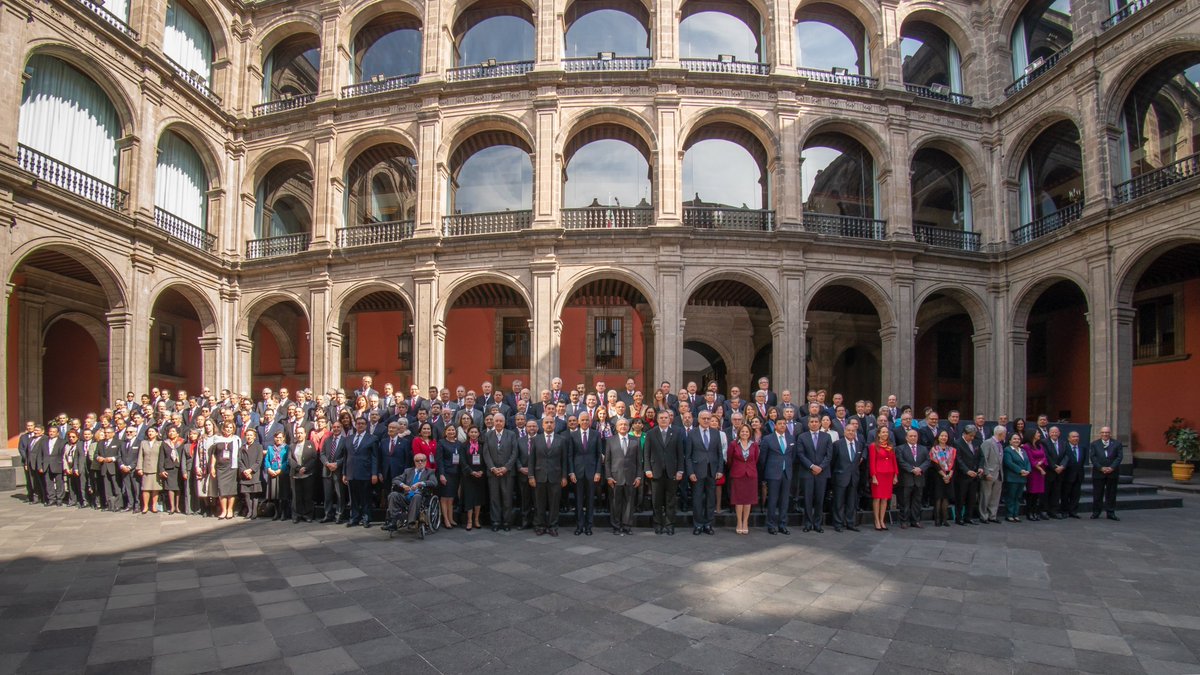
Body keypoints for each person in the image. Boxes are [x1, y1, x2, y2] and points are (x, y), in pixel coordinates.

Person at [644, 410, 684, 536]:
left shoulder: (676, 433)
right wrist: (647, 469)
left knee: (670, 500)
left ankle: (669, 524)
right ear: (657, 419)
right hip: (655, 472)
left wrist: (680, 470)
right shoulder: (651, 433)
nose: (664, 420)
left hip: (672, 472)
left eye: (666, 418)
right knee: (656, 500)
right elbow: (646, 453)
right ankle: (658, 524)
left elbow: (680, 454)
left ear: (669, 419)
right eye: (661, 418)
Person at [528, 416, 569, 536]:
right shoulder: (536, 440)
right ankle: (540, 525)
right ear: (542, 425)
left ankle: (553, 526)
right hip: (539, 476)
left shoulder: (561, 440)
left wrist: (564, 477)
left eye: (551, 422)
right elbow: (531, 460)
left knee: (554, 503)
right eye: (547, 422)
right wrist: (531, 476)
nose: (549, 424)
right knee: (539, 503)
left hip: (555, 477)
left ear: (555, 425)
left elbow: (564, 460)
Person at [687, 411, 723, 536]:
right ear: (699, 419)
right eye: (704, 418)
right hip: (697, 471)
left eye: (708, 418)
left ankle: (708, 524)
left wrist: (719, 470)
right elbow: (688, 456)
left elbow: (720, 454)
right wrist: (690, 472)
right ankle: (698, 524)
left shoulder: (715, 433)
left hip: (712, 471)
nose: (707, 420)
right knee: (697, 499)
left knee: (710, 499)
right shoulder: (692, 433)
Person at [569, 412, 604, 536]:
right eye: (582, 420)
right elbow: (570, 455)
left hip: (592, 472)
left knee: (590, 500)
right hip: (577, 473)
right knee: (578, 501)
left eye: (586, 420)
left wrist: (598, 472)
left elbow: (599, 455)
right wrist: (571, 472)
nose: (584, 422)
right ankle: (579, 526)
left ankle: (589, 526)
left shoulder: (596, 434)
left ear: (590, 421)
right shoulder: (573, 435)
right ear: (578, 421)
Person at [797, 415, 832, 533]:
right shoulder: (802, 437)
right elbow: (801, 454)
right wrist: (812, 466)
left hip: (822, 473)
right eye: (812, 422)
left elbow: (829, 455)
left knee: (819, 499)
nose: (814, 423)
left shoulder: (827, 437)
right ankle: (807, 523)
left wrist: (820, 467)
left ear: (820, 423)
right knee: (807, 499)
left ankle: (818, 524)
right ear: (808, 424)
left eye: (816, 421)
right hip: (807, 472)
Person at [343, 417, 381, 528]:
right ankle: (354, 517)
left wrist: (374, 473)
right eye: (358, 423)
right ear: (355, 425)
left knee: (365, 497)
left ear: (366, 425)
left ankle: (366, 518)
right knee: (353, 498)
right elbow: (346, 457)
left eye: (363, 424)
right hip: (351, 472)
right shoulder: (349, 438)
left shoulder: (372, 438)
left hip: (365, 472)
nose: (360, 425)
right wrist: (344, 473)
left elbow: (375, 457)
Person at [606, 417, 641, 535]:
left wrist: (638, 476)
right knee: (616, 503)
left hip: (631, 477)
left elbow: (638, 461)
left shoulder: (635, 440)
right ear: (616, 427)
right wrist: (608, 476)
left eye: (625, 425)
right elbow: (607, 461)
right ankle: (616, 526)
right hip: (615, 477)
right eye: (620, 425)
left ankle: (627, 526)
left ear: (629, 427)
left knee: (629, 503)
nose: (623, 426)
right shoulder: (610, 440)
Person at [384, 453, 437, 531]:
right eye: (417, 461)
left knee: (417, 496)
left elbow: (434, 482)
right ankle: (393, 522)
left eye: (422, 460)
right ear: (414, 462)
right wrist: (403, 485)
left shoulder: (429, 472)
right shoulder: (408, 471)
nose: (420, 462)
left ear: (425, 462)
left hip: (420, 497)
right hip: (406, 496)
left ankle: (411, 522)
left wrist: (420, 483)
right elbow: (395, 480)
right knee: (393, 495)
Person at [484, 413, 518, 531]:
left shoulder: (511, 434)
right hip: (492, 473)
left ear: (504, 423)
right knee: (494, 498)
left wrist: (506, 467)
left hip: (507, 473)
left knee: (507, 498)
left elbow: (514, 453)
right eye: (496, 421)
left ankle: (507, 522)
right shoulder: (488, 435)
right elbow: (486, 453)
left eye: (500, 421)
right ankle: (496, 522)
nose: (498, 423)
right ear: (493, 422)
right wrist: (492, 468)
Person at [760, 418, 793, 535]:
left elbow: (793, 456)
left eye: (784, 424)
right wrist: (764, 474)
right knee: (773, 500)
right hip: (773, 473)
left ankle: (783, 524)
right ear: (775, 426)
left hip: (787, 473)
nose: (783, 425)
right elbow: (763, 458)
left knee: (785, 501)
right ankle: (771, 525)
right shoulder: (768, 439)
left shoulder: (791, 438)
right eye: (780, 424)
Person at [726, 424, 759, 535]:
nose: (744, 433)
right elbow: (729, 459)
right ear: (739, 433)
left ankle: (745, 522)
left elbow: (756, 458)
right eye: (742, 431)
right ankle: (739, 522)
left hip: (750, 475)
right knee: (738, 500)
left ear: (750, 433)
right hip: (738, 475)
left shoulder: (754, 445)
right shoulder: (733, 444)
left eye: (747, 432)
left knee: (748, 500)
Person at [830, 419, 862, 532]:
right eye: (848, 430)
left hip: (853, 478)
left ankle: (850, 523)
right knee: (838, 502)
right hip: (840, 477)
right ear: (844, 432)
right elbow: (832, 461)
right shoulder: (837, 444)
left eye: (853, 431)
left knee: (851, 502)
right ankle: (838, 523)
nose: (851, 432)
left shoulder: (858, 445)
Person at [208, 421, 242, 520]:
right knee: (221, 489)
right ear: (223, 428)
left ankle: (230, 510)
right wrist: (212, 466)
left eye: (230, 428)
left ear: (233, 429)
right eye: (227, 427)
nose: (228, 429)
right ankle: (223, 510)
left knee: (231, 490)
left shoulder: (236, 439)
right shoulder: (217, 439)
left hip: (232, 467)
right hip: (221, 467)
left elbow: (239, 454)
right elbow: (214, 454)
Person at [896, 429, 929, 529]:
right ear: (906, 437)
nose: (913, 438)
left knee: (917, 501)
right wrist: (911, 470)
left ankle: (916, 520)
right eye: (911, 436)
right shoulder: (900, 448)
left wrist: (920, 468)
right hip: (906, 479)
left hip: (919, 479)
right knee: (904, 502)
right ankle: (904, 521)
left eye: (915, 436)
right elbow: (900, 461)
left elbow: (928, 461)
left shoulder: (923, 449)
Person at [1089, 426, 1122, 520]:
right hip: (1098, 473)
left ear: (1110, 433)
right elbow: (1093, 457)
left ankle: (1110, 512)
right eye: (1103, 432)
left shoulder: (1117, 443)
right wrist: (1101, 468)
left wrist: (1112, 467)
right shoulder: (1094, 444)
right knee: (1097, 493)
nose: (1105, 434)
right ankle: (1096, 512)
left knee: (1111, 493)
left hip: (1112, 473)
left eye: (1107, 432)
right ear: (1100, 434)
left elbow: (1119, 457)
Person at [869, 428, 898, 531]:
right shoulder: (873, 446)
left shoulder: (890, 446)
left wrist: (895, 475)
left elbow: (894, 461)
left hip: (889, 474)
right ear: (879, 434)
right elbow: (872, 462)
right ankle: (876, 520)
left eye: (887, 432)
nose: (885, 434)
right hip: (879, 474)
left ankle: (882, 520)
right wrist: (873, 476)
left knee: (885, 498)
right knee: (877, 498)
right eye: (883, 432)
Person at [952, 425, 981, 525]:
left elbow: (979, 456)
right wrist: (967, 471)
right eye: (970, 436)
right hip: (962, 476)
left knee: (972, 498)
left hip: (974, 474)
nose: (972, 438)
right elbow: (958, 460)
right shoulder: (957, 443)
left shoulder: (976, 442)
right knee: (961, 498)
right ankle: (959, 517)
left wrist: (980, 467)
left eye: (973, 436)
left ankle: (968, 517)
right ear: (964, 434)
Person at [289, 428, 320, 523]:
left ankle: (308, 515)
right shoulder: (292, 445)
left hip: (308, 473)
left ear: (305, 434)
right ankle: (296, 515)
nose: (299, 435)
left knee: (307, 495)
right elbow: (290, 459)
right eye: (297, 433)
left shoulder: (310, 444)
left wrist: (305, 468)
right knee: (296, 496)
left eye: (301, 433)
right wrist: (298, 468)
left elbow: (314, 458)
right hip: (295, 474)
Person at [436, 425, 463, 529]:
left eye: (453, 430)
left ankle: (451, 518)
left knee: (451, 498)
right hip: (446, 473)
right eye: (449, 430)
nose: (451, 432)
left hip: (456, 474)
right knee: (444, 497)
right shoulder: (441, 443)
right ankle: (446, 519)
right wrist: (441, 474)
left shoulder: (459, 444)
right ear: (445, 431)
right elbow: (440, 460)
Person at [460, 426, 486, 531]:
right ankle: (469, 521)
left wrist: (482, 471)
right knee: (469, 498)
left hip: (480, 475)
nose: (474, 434)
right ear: (468, 433)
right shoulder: (464, 445)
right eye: (472, 432)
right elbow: (462, 460)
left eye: (476, 432)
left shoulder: (482, 445)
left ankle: (476, 520)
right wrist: (471, 472)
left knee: (478, 498)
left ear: (479, 433)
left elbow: (486, 459)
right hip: (468, 475)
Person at [320, 420, 346, 523]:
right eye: (334, 427)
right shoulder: (327, 440)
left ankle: (339, 515)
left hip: (338, 471)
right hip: (326, 470)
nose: (336, 429)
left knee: (340, 495)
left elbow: (346, 456)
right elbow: (322, 454)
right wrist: (327, 463)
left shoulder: (345, 440)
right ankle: (328, 514)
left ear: (341, 428)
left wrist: (337, 464)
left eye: (338, 427)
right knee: (327, 495)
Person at [979, 425, 1006, 524]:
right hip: (989, 473)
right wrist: (986, 472)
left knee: (995, 496)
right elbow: (984, 458)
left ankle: (992, 515)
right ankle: (983, 515)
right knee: (986, 495)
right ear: (1000, 434)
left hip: (998, 473)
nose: (1005, 436)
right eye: (1004, 434)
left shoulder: (1000, 444)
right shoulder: (987, 443)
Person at [929, 430, 956, 527]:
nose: (944, 437)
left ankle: (945, 519)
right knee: (938, 497)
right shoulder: (934, 449)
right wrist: (944, 475)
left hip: (949, 476)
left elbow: (953, 464)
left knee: (946, 497)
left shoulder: (952, 450)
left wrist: (949, 475)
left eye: (946, 436)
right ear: (938, 437)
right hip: (938, 476)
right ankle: (937, 519)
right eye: (942, 436)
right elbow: (935, 464)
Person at [1003, 433, 1031, 523]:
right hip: (1012, 478)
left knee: (1018, 497)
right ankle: (1009, 515)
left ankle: (1016, 514)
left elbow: (1027, 462)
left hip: (1022, 478)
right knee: (1011, 497)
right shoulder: (1007, 450)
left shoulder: (1023, 450)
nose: (1017, 440)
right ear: (1010, 441)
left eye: (1018, 439)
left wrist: (1028, 470)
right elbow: (1009, 463)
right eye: (1014, 439)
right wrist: (1020, 471)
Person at [263, 431, 291, 521]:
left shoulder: (287, 448)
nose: (278, 439)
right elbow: (267, 459)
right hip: (272, 472)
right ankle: (277, 512)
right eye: (276, 437)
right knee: (274, 494)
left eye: (280, 437)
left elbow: (287, 460)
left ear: (283, 438)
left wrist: (280, 469)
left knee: (283, 494)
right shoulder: (270, 448)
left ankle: (283, 513)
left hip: (283, 473)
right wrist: (269, 469)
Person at [158, 426, 185, 514]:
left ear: (177, 433)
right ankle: (172, 507)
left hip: (179, 467)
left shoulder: (182, 442)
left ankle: (178, 506)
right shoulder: (165, 443)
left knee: (178, 488)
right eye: (170, 431)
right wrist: (161, 469)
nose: (171, 433)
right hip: (169, 468)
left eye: (173, 431)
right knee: (170, 488)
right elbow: (161, 457)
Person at [239, 428, 265, 519]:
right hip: (244, 474)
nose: (249, 437)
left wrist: (250, 470)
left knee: (254, 494)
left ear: (254, 437)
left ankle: (254, 512)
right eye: (247, 435)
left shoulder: (258, 447)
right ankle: (249, 511)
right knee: (246, 493)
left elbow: (259, 461)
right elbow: (240, 461)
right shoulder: (242, 447)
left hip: (254, 473)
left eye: (251, 435)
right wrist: (245, 471)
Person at [136, 427, 163, 514]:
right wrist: (139, 468)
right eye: (149, 431)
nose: (150, 433)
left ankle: (154, 505)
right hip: (146, 468)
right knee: (145, 489)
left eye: (152, 431)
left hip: (156, 469)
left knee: (155, 488)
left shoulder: (160, 443)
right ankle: (145, 506)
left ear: (156, 433)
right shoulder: (143, 443)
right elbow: (140, 456)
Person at [1060, 430, 1086, 518]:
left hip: (1079, 475)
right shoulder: (1064, 447)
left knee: (1076, 495)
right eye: (1073, 437)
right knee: (1065, 494)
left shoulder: (1082, 447)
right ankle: (1064, 511)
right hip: (1067, 475)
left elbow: (1082, 462)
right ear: (1069, 438)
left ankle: (1073, 511)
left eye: (1077, 437)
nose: (1076, 438)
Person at [1024, 429, 1048, 521]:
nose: (1039, 434)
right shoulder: (1026, 446)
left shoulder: (1040, 445)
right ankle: (1029, 512)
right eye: (1038, 433)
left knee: (1037, 494)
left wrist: (1041, 462)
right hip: (1033, 472)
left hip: (1041, 472)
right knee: (1031, 493)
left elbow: (1044, 457)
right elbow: (1030, 459)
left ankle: (1035, 512)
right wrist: (1040, 468)